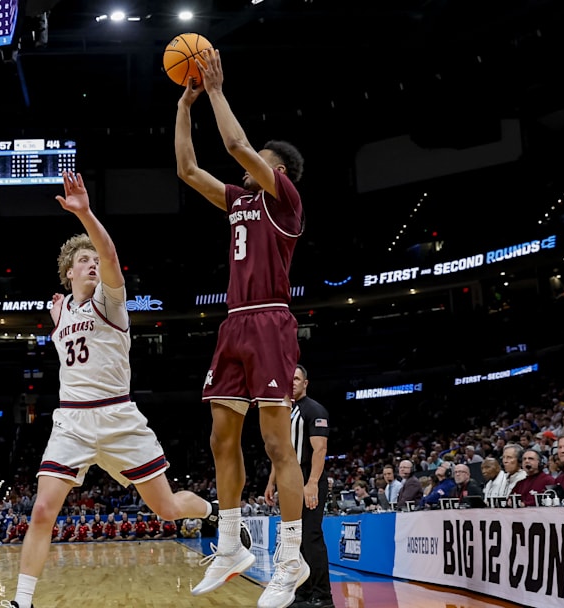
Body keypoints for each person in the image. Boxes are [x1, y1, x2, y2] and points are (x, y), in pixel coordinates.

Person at [0, 171, 234, 608]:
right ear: (69, 272)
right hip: (72, 419)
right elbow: (65, 324)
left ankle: (213, 511)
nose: (92, 263)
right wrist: (58, 319)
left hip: (118, 416)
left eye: (94, 260)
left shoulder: (111, 302)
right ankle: (21, 601)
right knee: (42, 511)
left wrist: (85, 214)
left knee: (165, 509)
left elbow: (109, 252)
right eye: (83, 261)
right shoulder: (61, 311)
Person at [175, 47, 308, 607]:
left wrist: (216, 89)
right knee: (219, 437)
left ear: (276, 171)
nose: (245, 166)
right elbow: (186, 169)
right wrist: (185, 104)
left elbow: (234, 145)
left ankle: (292, 558)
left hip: (271, 321)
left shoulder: (285, 199)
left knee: (277, 444)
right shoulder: (238, 201)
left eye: (259, 162)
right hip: (233, 325)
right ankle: (230, 545)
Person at [266, 365, 332, 608]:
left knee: (311, 537)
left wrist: (312, 483)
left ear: (305, 383)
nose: (292, 382)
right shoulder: (284, 413)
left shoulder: (314, 410)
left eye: (296, 379)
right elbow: (281, 452)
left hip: (306, 479)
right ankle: (302, 592)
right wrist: (272, 481)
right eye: (289, 379)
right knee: (294, 540)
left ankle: (323, 596)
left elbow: (320, 450)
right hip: (287, 480)